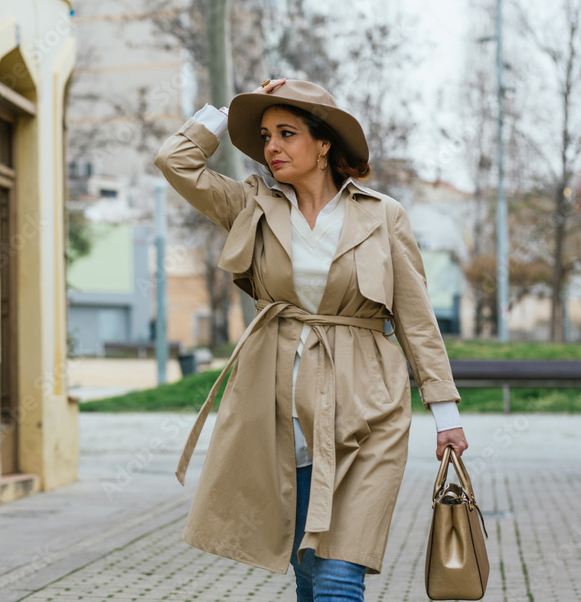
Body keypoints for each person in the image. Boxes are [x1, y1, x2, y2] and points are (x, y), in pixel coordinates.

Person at [156, 79, 470, 601]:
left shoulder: (382, 215)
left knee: (339, 576)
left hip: (368, 416)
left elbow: (417, 320)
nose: (271, 147)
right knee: (309, 572)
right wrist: (228, 107)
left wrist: (446, 414)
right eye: (264, 136)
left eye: (287, 133)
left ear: (324, 144)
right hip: (280, 417)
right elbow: (175, 161)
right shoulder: (251, 205)